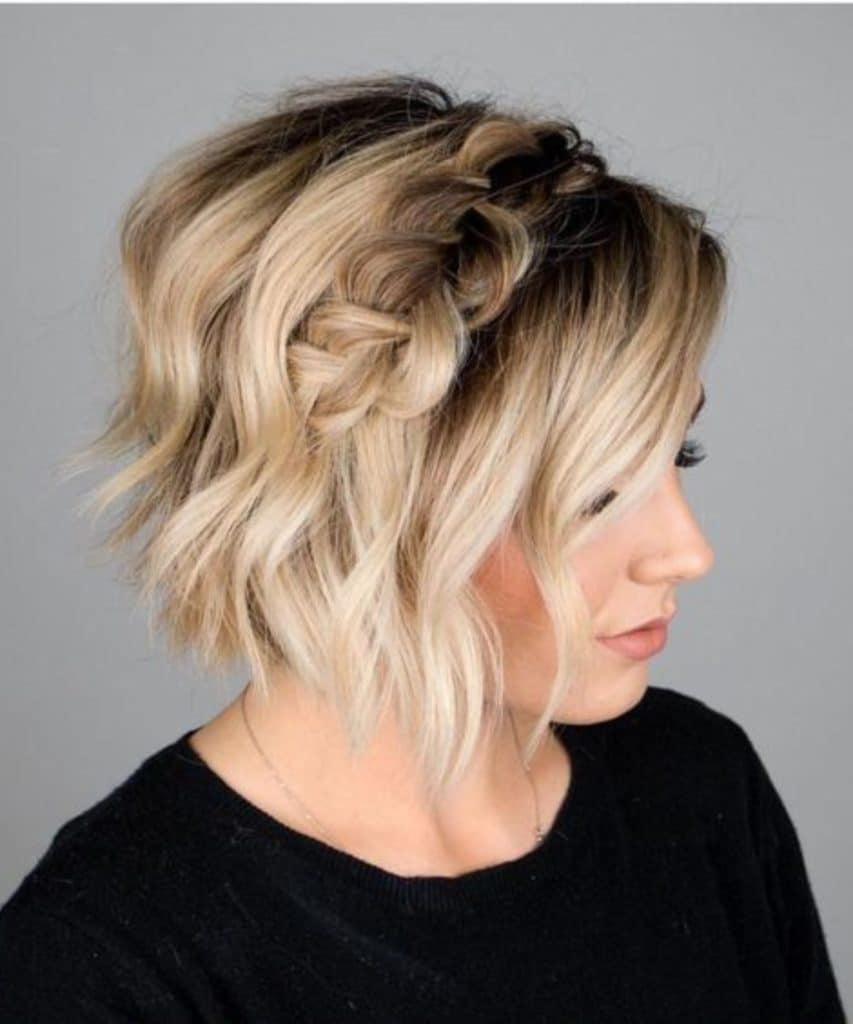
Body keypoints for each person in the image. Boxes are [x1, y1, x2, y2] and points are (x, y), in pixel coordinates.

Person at [0, 73, 845, 1022]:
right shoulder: (104, 962)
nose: (686, 552)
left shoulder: (695, 786)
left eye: (677, 453)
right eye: (593, 492)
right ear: (364, 501)